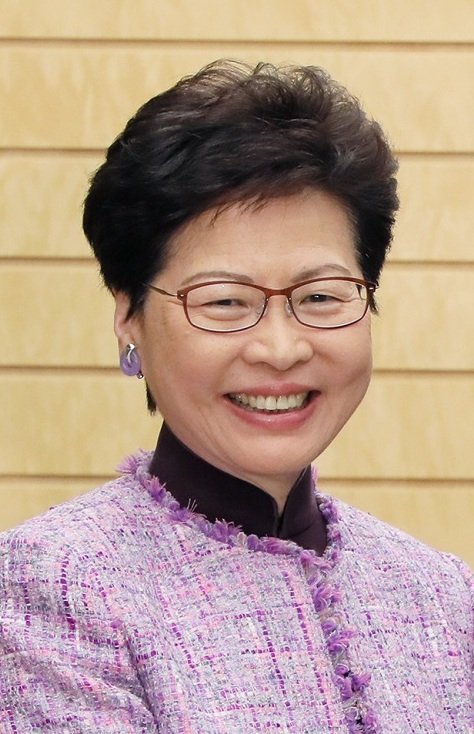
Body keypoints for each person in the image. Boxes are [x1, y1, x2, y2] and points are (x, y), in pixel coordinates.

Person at [0, 60, 472, 734]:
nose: (279, 348)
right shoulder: (54, 585)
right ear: (129, 316)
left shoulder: (443, 595)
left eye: (321, 296)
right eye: (224, 301)